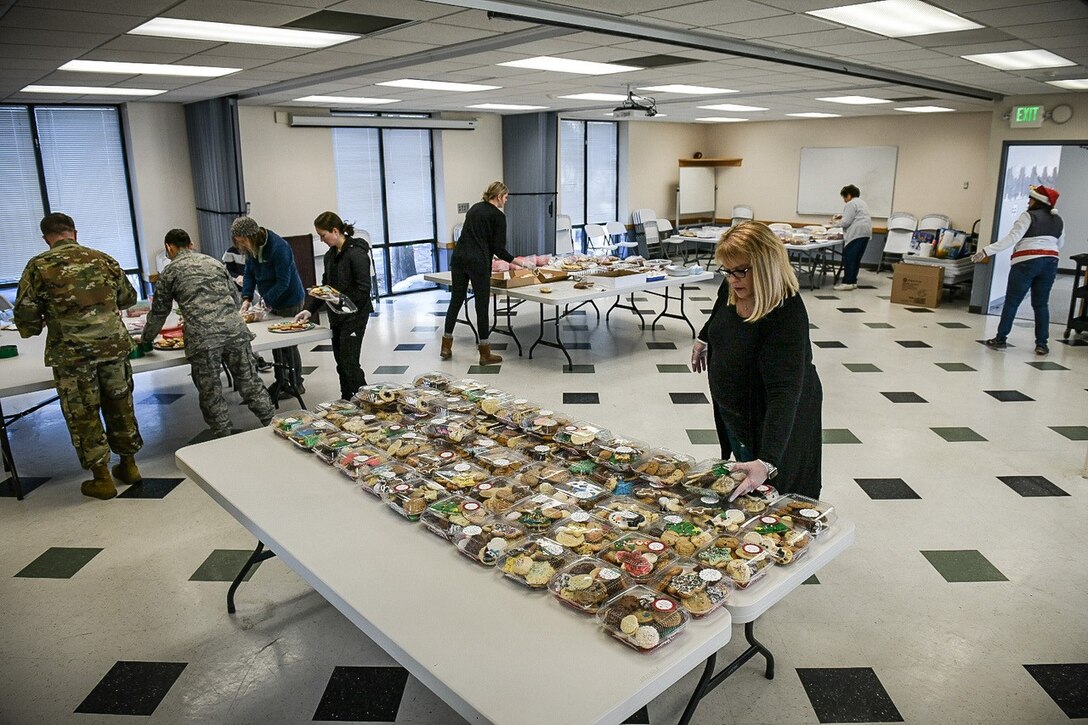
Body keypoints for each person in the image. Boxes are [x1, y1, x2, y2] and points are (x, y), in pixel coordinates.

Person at [13, 212, 143, 500]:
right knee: (120, 403)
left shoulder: (38, 267)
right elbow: (128, 298)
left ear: (46, 238)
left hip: (72, 355)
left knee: (83, 412)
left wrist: (36, 326)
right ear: (75, 232)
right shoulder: (103, 258)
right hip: (112, 348)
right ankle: (130, 466)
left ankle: (102, 478)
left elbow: (26, 315)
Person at [691, 221, 823, 500]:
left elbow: (784, 394)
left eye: (741, 271)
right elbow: (720, 309)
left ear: (766, 267)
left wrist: (768, 460)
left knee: (777, 492)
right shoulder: (733, 286)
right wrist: (704, 336)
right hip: (737, 413)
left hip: (774, 419)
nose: (733, 279)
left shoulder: (786, 313)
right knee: (744, 480)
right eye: (727, 271)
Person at [142, 229, 275, 439]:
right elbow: (235, 298)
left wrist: (146, 339)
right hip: (235, 331)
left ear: (169, 248)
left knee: (211, 391)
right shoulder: (214, 263)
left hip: (203, 338)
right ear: (191, 244)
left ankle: (223, 437)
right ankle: (272, 423)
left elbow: (159, 311)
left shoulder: (170, 271)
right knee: (249, 382)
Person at [441, 181, 535, 365]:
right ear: (499, 196)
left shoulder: (474, 209)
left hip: (459, 258)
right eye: (505, 197)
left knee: (456, 300)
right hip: (477, 262)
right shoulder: (498, 217)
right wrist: (520, 262)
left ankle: (446, 345)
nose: (506, 201)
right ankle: (485, 353)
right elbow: (498, 249)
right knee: (481, 304)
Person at [972, 185, 1064, 355]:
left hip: (1026, 262)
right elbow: (1060, 244)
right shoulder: (1058, 220)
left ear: (1038, 201)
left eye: (1031, 198)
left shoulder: (1028, 216)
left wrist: (987, 251)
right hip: (1051, 262)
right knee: (1041, 304)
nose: (1028, 201)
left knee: (1012, 302)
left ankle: (1001, 338)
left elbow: (1012, 238)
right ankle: (1042, 344)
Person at [294, 212, 374, 400]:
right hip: (337, 316)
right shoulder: (330, 256)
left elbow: (363, 290)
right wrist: (309, 309)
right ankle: (347, 400)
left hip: (355, 316)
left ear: (335, 231)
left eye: (323, 235)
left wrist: (340, 298)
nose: (321, 240)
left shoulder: (357, 253)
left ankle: (365, 401)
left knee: (350, 363)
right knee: (341, 363)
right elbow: (325, 287)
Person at [231, 215, 306, 397]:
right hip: (271, 299)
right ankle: (281, 380)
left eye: (242, 241)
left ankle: (296, 383)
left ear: (251, 236)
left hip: (289, 300)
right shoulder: (251, 249)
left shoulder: (279, 248)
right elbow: (249, 273)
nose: (241, 245)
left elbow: (283, 282)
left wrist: (264, 303)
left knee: (288, 344)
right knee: (276, 343)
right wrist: (247, 298)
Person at [832, 184, 872, 291]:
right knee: (856, 259)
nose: (844, 201)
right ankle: (853, 281)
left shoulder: (851, 203)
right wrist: (842, 216)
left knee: (850, 258)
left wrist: (833, 224)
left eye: (844, 197)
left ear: (848, 195)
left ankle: (848, 282)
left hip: (856, 234)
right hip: (865, 233)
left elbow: (846, 222)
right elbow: (854, 216)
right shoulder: (861, 202)